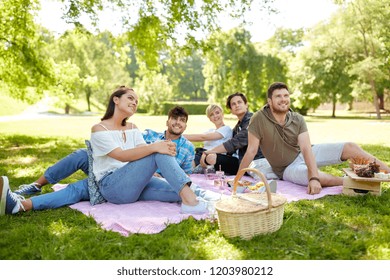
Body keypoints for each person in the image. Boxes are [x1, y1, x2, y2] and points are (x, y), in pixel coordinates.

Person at [0, 86, 208, 216]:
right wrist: (156, 147)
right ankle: (28, 196)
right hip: (111, 184)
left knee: (174, 191)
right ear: (116, 100)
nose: (135, 103)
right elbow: (122, 155)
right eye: (130, 98)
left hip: (132, 183)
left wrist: (157, 152)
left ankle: (198, 199)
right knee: (80, 172)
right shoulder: (99, 130)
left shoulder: (134, 128)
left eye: (136, 101)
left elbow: (140, 153)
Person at [239, 81, 390, 195]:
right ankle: (356, 183)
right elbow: (251, 150)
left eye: (286, 95)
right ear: (270, 101)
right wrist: (237, 178)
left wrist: (313, 178)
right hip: (286, 169)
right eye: (278, 96)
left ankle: (387, 173)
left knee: (350, 147)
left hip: (304, 153)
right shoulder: (258, 118)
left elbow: (306, 148)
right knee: (318, 176)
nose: (283, 99)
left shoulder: (297, 118)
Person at [13, 106, 195, 196]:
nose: (178, 123)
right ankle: (36, 185)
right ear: (168, 121)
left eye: (182, 120)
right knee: (82, 154)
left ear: (186, 125)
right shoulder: (149, 135)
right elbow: (129, 152)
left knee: (85, 186)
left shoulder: (188, 148)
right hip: (123, 170)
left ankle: (86, 188)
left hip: (142, 182)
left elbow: (184, 174)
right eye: (174, 119)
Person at [199, 92, 264, 175]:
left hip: (255, 162)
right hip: (239, 161)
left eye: (239, 102)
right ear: (231, 110)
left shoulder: (252, 120)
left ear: (246, 105)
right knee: (211, 157)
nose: (237, 105)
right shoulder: (237, 127)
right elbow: (230, 150)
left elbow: (234, 143)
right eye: (233, 104)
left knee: (211, 157)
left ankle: (207, 169)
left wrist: (208, 152)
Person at [183, 104, 232, 168]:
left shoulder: (226, 129)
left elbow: (203, 137)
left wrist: (180, 136)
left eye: (217, 113)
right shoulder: (211, 130)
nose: (215, 116)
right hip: (201, 154)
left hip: (212, 156)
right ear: (209, 119)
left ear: (222, 114)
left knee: (186, 167)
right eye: (211, 115)